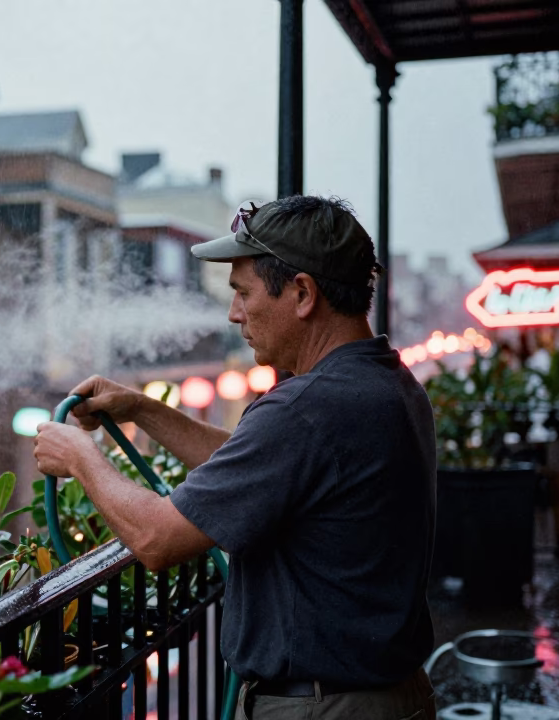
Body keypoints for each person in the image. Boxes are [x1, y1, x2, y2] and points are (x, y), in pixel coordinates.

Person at [33, 195, 437, 719]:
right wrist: (141, 408)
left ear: (302, 293)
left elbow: (157, 539)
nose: (233, 314)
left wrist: (80, 457)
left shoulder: (305, 410)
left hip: (322, 707)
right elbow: (259, 469)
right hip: (388, 696)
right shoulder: (389, 383)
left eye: (243, 293)